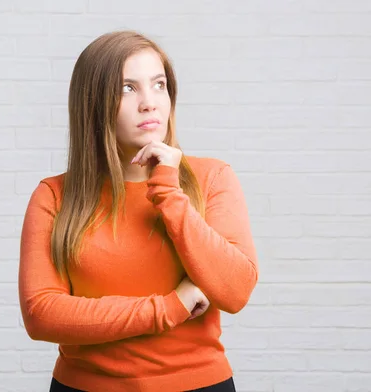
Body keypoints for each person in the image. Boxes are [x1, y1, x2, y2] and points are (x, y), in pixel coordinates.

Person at [18, 30, 259, 392]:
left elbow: (236, 291)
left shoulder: (213, 178)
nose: (150, 102)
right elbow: (42, 315)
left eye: (159, 85)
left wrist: (167, 190)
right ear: (93, 103)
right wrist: (170, 308)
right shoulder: (53, 196)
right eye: (127, 88)